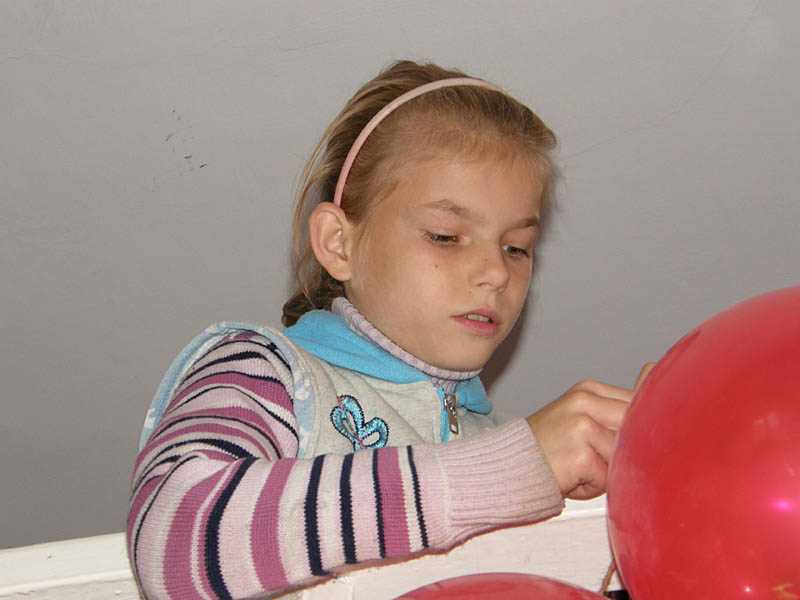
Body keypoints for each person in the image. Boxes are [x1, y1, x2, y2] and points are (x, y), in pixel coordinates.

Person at [127, 60, 650, 600]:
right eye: (446, 236)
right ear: (339, 243)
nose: (497, 272)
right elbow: (171, 542)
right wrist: (506, 471)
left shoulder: (509, 441)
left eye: (516, 247)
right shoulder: (264, 368)